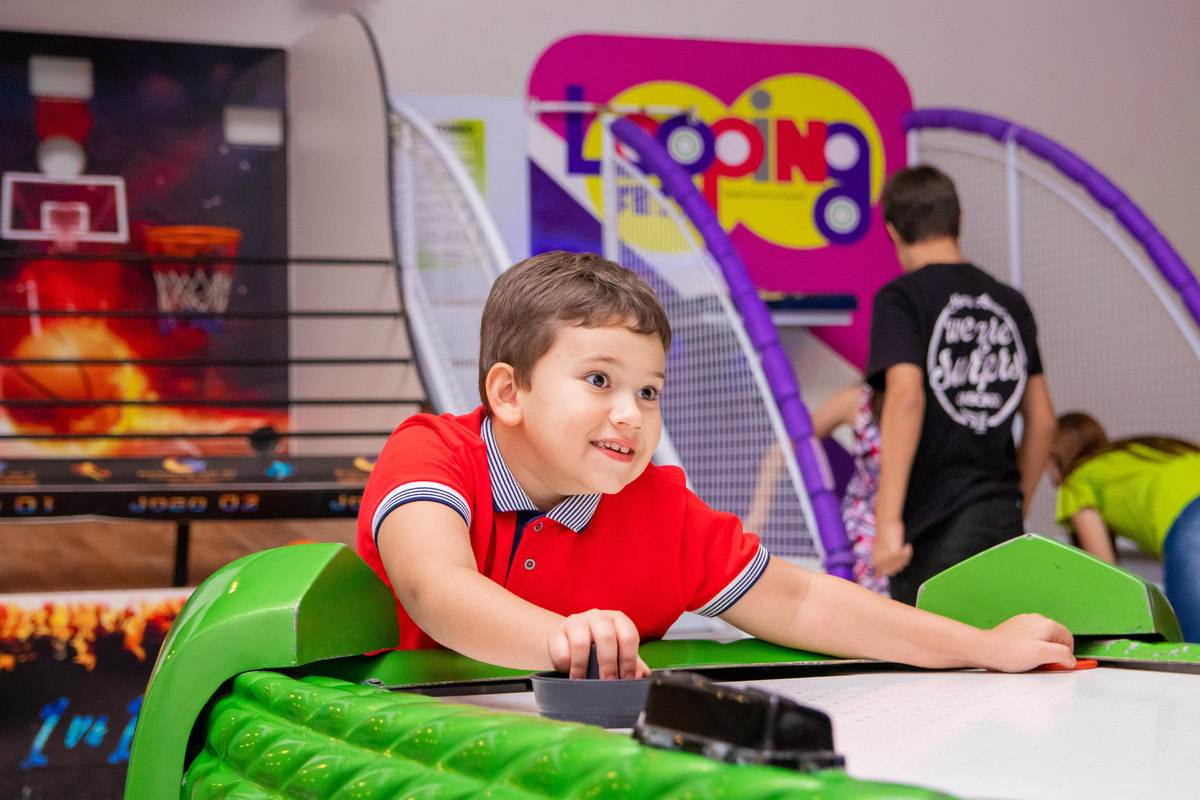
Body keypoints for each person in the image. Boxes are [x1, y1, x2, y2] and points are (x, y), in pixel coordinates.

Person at [357, 250, 1074, 680]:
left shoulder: (659, 509)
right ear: (509, 393)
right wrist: (561, 637)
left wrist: (982, 646)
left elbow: (803, 601)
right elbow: (434, 586)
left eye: (648, 391)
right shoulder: (435, 454)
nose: (631, 414)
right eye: (599, 381)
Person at [865, 165, 1057, 605]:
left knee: (933, 664)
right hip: (1001, 513)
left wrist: (888, 522)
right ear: (960, 220)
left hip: (934, 525)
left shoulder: (902, 298)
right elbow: (1043, 421)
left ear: (893, 232)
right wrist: (1014, 504)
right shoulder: (1011, 301)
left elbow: (906, 394)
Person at [1048, 411, 1200, 642]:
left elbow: (1109, 574)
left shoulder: (1076, 480)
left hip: (1192, 522)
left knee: (1193, 653)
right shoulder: (1137, 452)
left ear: (1053, 452)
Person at [810, 383, 889, 596]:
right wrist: (759, 511)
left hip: (916, 526)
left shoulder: (935, 404)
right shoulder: (858, 401)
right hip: (863, 534)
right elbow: (792, 442)